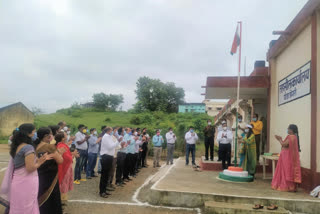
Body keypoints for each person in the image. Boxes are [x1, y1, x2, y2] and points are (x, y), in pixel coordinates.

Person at [1, 124, 48, 214]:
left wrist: (38, 159)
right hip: (26, 182)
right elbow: (30, 168)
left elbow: (21, 161)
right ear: (29, 133)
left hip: (17, 181)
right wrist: (40, 162)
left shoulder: (16, 146)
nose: (35, 135)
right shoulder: (28, 147)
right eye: (34, 132)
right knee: (27, 207)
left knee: (18, 207)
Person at [35, 127, 64, 214]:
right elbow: (60, 161)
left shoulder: (35, 145)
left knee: (40, 195)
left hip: (39, 176)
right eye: (51, 134)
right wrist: (60, 153)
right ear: (47, 136)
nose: (52, 136)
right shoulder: (49, 147)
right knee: (51, 199)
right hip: (50, 178)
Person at [272, 124, 301, 192]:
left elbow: (284, 144)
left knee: (286, 171)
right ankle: (289, 187)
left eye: (288, 129)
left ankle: (287, 186)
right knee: (284, 171)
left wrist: (279, 139)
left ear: (291, 130)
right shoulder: (293, 137)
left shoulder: (292, 137)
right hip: (285, 156)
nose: (287, 130)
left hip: (287, 157)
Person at [56, 132, 78, 205]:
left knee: (64, 182)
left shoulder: (62, 144)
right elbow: (66, 158)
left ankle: (62, 199)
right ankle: (62, 200)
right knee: (64, 182)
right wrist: (72, 155)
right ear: (63, 138)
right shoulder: (62, 145)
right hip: (65, 168)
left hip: (65, 167)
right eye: (66, 136)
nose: (67, 136)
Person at [99, 127, 120, 198]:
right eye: (111, 130)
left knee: (106, 174)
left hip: (109, 157)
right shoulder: (105, 137)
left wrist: (117, 142)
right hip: (106, 157)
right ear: (108, 131)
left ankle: (104, 190)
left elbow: (113, 146)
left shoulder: (109, 137)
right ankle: (102, 191)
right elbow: (110, 147)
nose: (112, 132)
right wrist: (118, 141)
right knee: (104, 175)